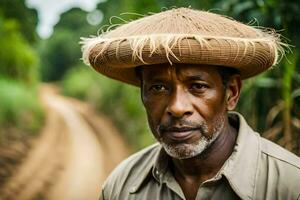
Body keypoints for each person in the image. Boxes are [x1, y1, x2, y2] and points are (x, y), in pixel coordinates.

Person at [81, 7, 300, 200]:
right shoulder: (121, 187)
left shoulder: (290, 186)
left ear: (231, 93)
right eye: (158, 88)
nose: (177, 108)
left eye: (197, 86)